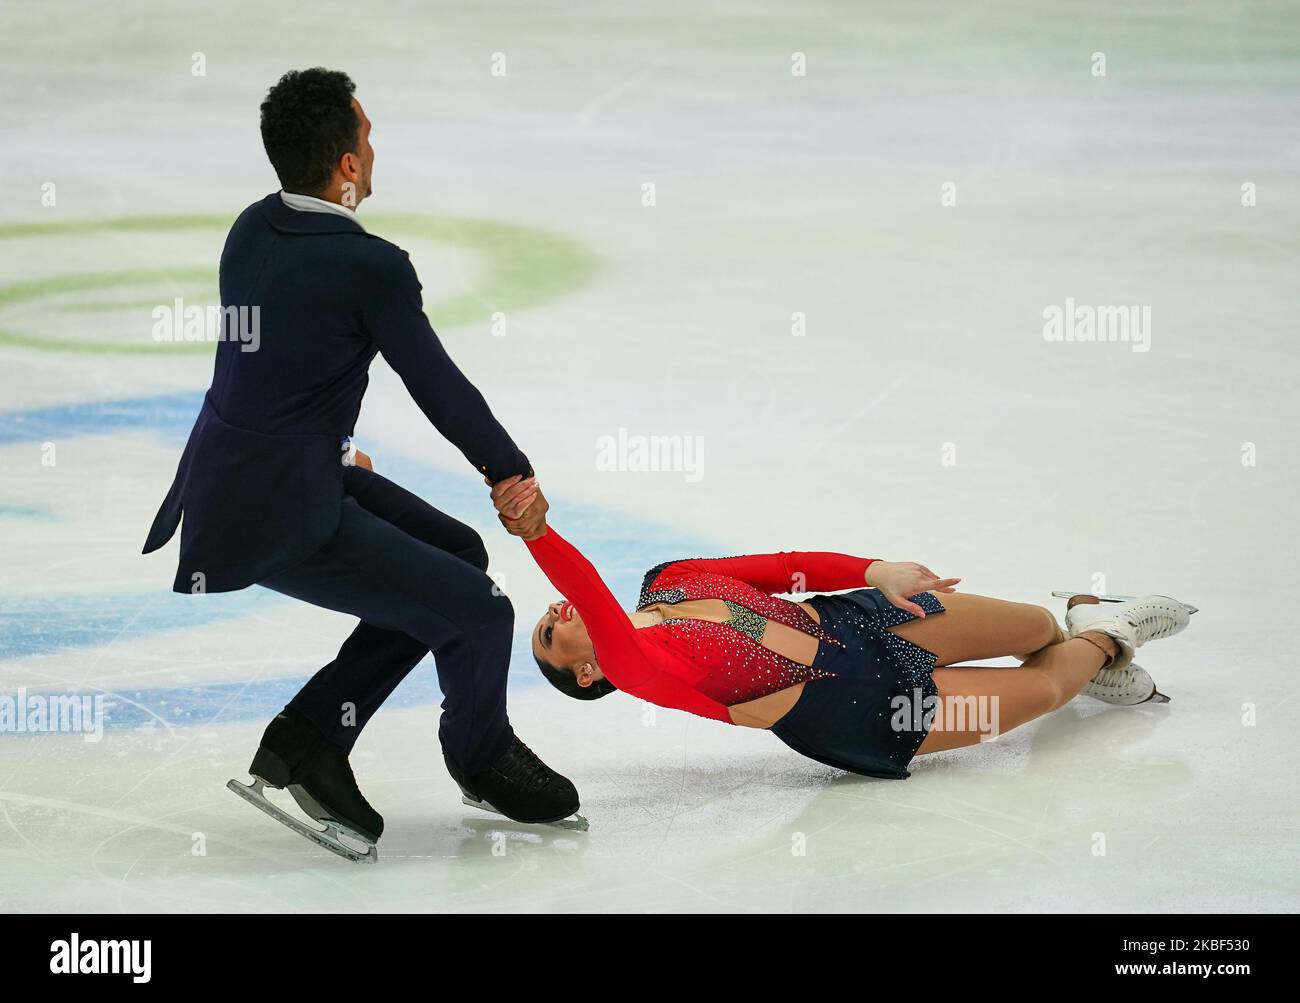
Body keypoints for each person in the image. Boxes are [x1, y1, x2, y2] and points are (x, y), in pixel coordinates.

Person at [142, 69, 579, 862]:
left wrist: (334, 447)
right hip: (283, 508)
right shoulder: (369, 265)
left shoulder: (250, 229)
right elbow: (439, 387)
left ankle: (307, 735)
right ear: (347, 164)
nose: (374, 148)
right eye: (366, 135)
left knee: (457, 557)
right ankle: (479, 758)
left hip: (239, 481)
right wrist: (510, 474)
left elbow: (271, 363)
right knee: (481, 610)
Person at [488, 477, 1191, 782]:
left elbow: (787, 568)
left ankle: (1074, 620)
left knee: (1036, 623)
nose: (553, 614)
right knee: (1039, 688)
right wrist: (538, 533)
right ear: (589, 674)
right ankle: (1108, 628)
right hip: (862, 708)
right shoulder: (639, 668)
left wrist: (875, 567)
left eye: (546, 619)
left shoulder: (669, 577)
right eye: (550, 638)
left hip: (863, 620)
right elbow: (583, 589)